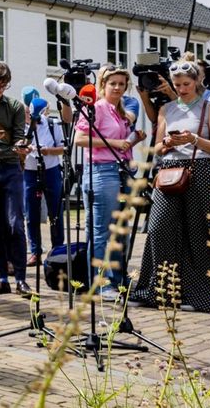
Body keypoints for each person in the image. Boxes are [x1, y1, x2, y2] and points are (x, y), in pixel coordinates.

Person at [129, 61, 210, 311]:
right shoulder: (165, 108)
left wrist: (193, 139)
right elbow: (158, 147)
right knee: (159, 227)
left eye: (186, 84)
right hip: (169, 170)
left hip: (201, 170)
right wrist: (168, 143)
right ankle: (158, 290)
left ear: (196, 82)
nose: (182, 88)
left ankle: (201, 295)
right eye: (177, 84)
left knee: (198, 231)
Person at [74, 65, 144, 301]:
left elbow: (119, 146)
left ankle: (117, 280)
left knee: (118, 231)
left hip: (119, 171)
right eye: (112, 83)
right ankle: (101, 284)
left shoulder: (119, 110)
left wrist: (131, 141)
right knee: (101, 231)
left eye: (121, 84)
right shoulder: (96, 107)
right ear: (103, 85)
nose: (116, 88)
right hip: (101, 172)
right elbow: (80, 139)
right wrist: (115, 143)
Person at [0, 62, 32, 297]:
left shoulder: (14, 106)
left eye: (5, 84)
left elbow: (20, 136)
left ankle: (20, 278)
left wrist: (21, 147)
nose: (1, 88)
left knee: (15, 224)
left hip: (11, 167)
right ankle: (1, 278)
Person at [21, 87, 65, 266]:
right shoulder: (20, 126)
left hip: (51, 171)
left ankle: (57, 250)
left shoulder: (52, 124)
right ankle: (35, 251)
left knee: (56, 212)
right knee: (31, 213)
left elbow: (63, 149)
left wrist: (48, 151)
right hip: (29, 173)